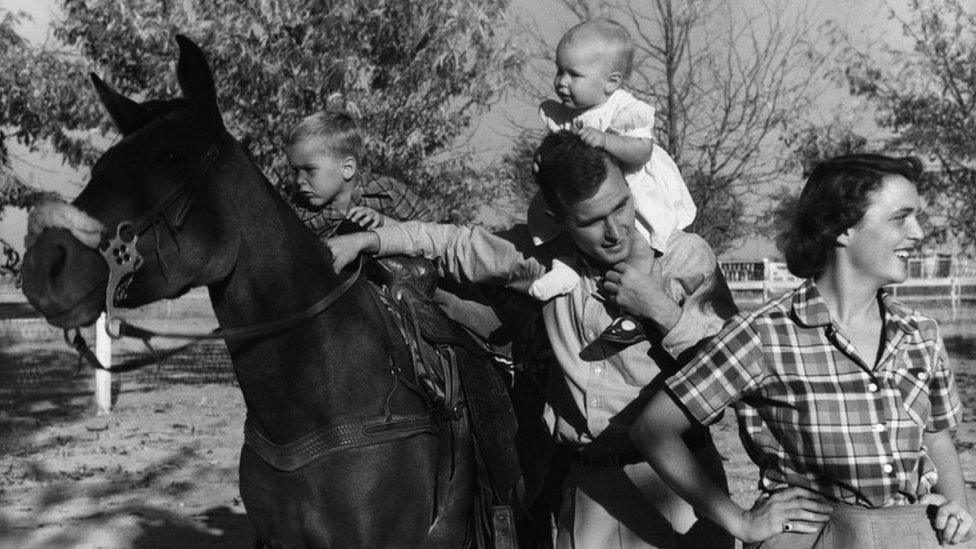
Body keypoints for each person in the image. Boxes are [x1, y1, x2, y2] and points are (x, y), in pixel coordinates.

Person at [328, 131, 737, 548]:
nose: (616, 231)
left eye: (622, 205)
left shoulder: (685, 256)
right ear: (560, 220)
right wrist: (368, 239)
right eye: (592, 221)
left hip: (682, 486)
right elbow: (453, 242)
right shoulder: (544, 261)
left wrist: (661, 310)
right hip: (590, 492)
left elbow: (735, 374)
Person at [630, 154, 973, 548]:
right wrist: (738, 520)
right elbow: (654, 428)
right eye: (901, 217)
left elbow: (937, 437)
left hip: (912, 535)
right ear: (841, 227)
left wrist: (958, 508)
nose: (919, 232)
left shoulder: (921, 333)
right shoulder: (763, 333)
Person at [526, 18, 697, 347]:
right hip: (594, 192)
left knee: (640, 243)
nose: (561, 83)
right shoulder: (565, 114)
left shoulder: (625, 109)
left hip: (632, 188)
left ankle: (632, 313)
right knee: (564, 223)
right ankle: (566, 270)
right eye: (559, 71)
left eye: (573, 75)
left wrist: (606, 141)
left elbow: (642, 150)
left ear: (611, 81)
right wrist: (544, 159)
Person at [285, 109, 433, 237]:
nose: (299, 180)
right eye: (296, 171)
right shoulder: (298, 211)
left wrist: (385, 224)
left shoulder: (387, 192)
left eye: (309, 170)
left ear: (347, 168)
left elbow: (431, 235)